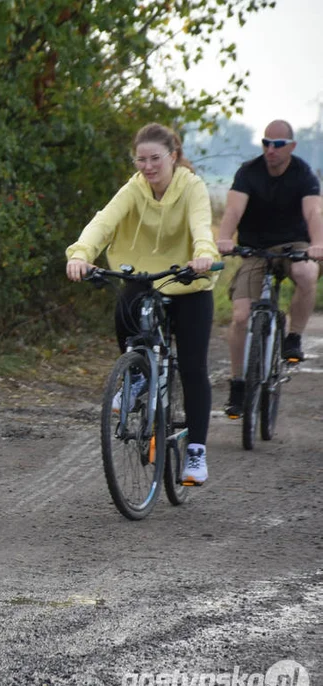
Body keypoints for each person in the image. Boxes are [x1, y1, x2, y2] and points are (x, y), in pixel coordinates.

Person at [65, 123, 219, 486]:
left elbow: (201, 226)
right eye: (141, 159)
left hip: (188, 279)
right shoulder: (134, 188)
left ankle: (196, 449)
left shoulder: (191, 187)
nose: (147, 167)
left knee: (194, 366)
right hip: (144, 275)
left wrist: (203, 255)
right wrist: (81, 253)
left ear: (173, 157)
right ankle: (136, 375)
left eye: (155, 159)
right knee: (125, 306)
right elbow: (104, 222)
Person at [215, 119, 323, 418]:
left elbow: (314, 210)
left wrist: (318, 243)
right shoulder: (248, 172)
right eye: (266, 143)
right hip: (255, 249)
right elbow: (234, 209)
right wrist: (224, 238)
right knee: (239, 316)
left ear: (291, 146)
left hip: (294, 244)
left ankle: (294, 338)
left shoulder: (303, 173)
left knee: (306, 273)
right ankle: (237, 383)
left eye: (277, 144)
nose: (270, 150)